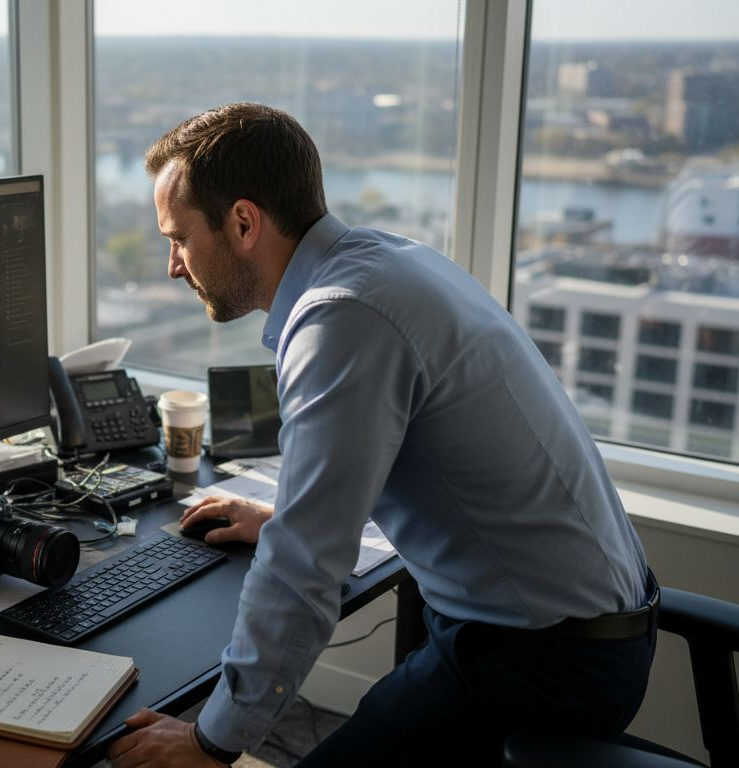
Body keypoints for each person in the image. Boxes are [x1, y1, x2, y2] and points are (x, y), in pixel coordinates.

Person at [106, 103, 656, 766]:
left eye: (180, 238)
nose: (173, 264)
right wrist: (287, 517)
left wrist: (210, 740)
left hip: (543, 663)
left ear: (244, 222)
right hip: (576, 629)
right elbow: (413, 470)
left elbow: (304, 568)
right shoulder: (385, 264)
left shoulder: (343, 319)